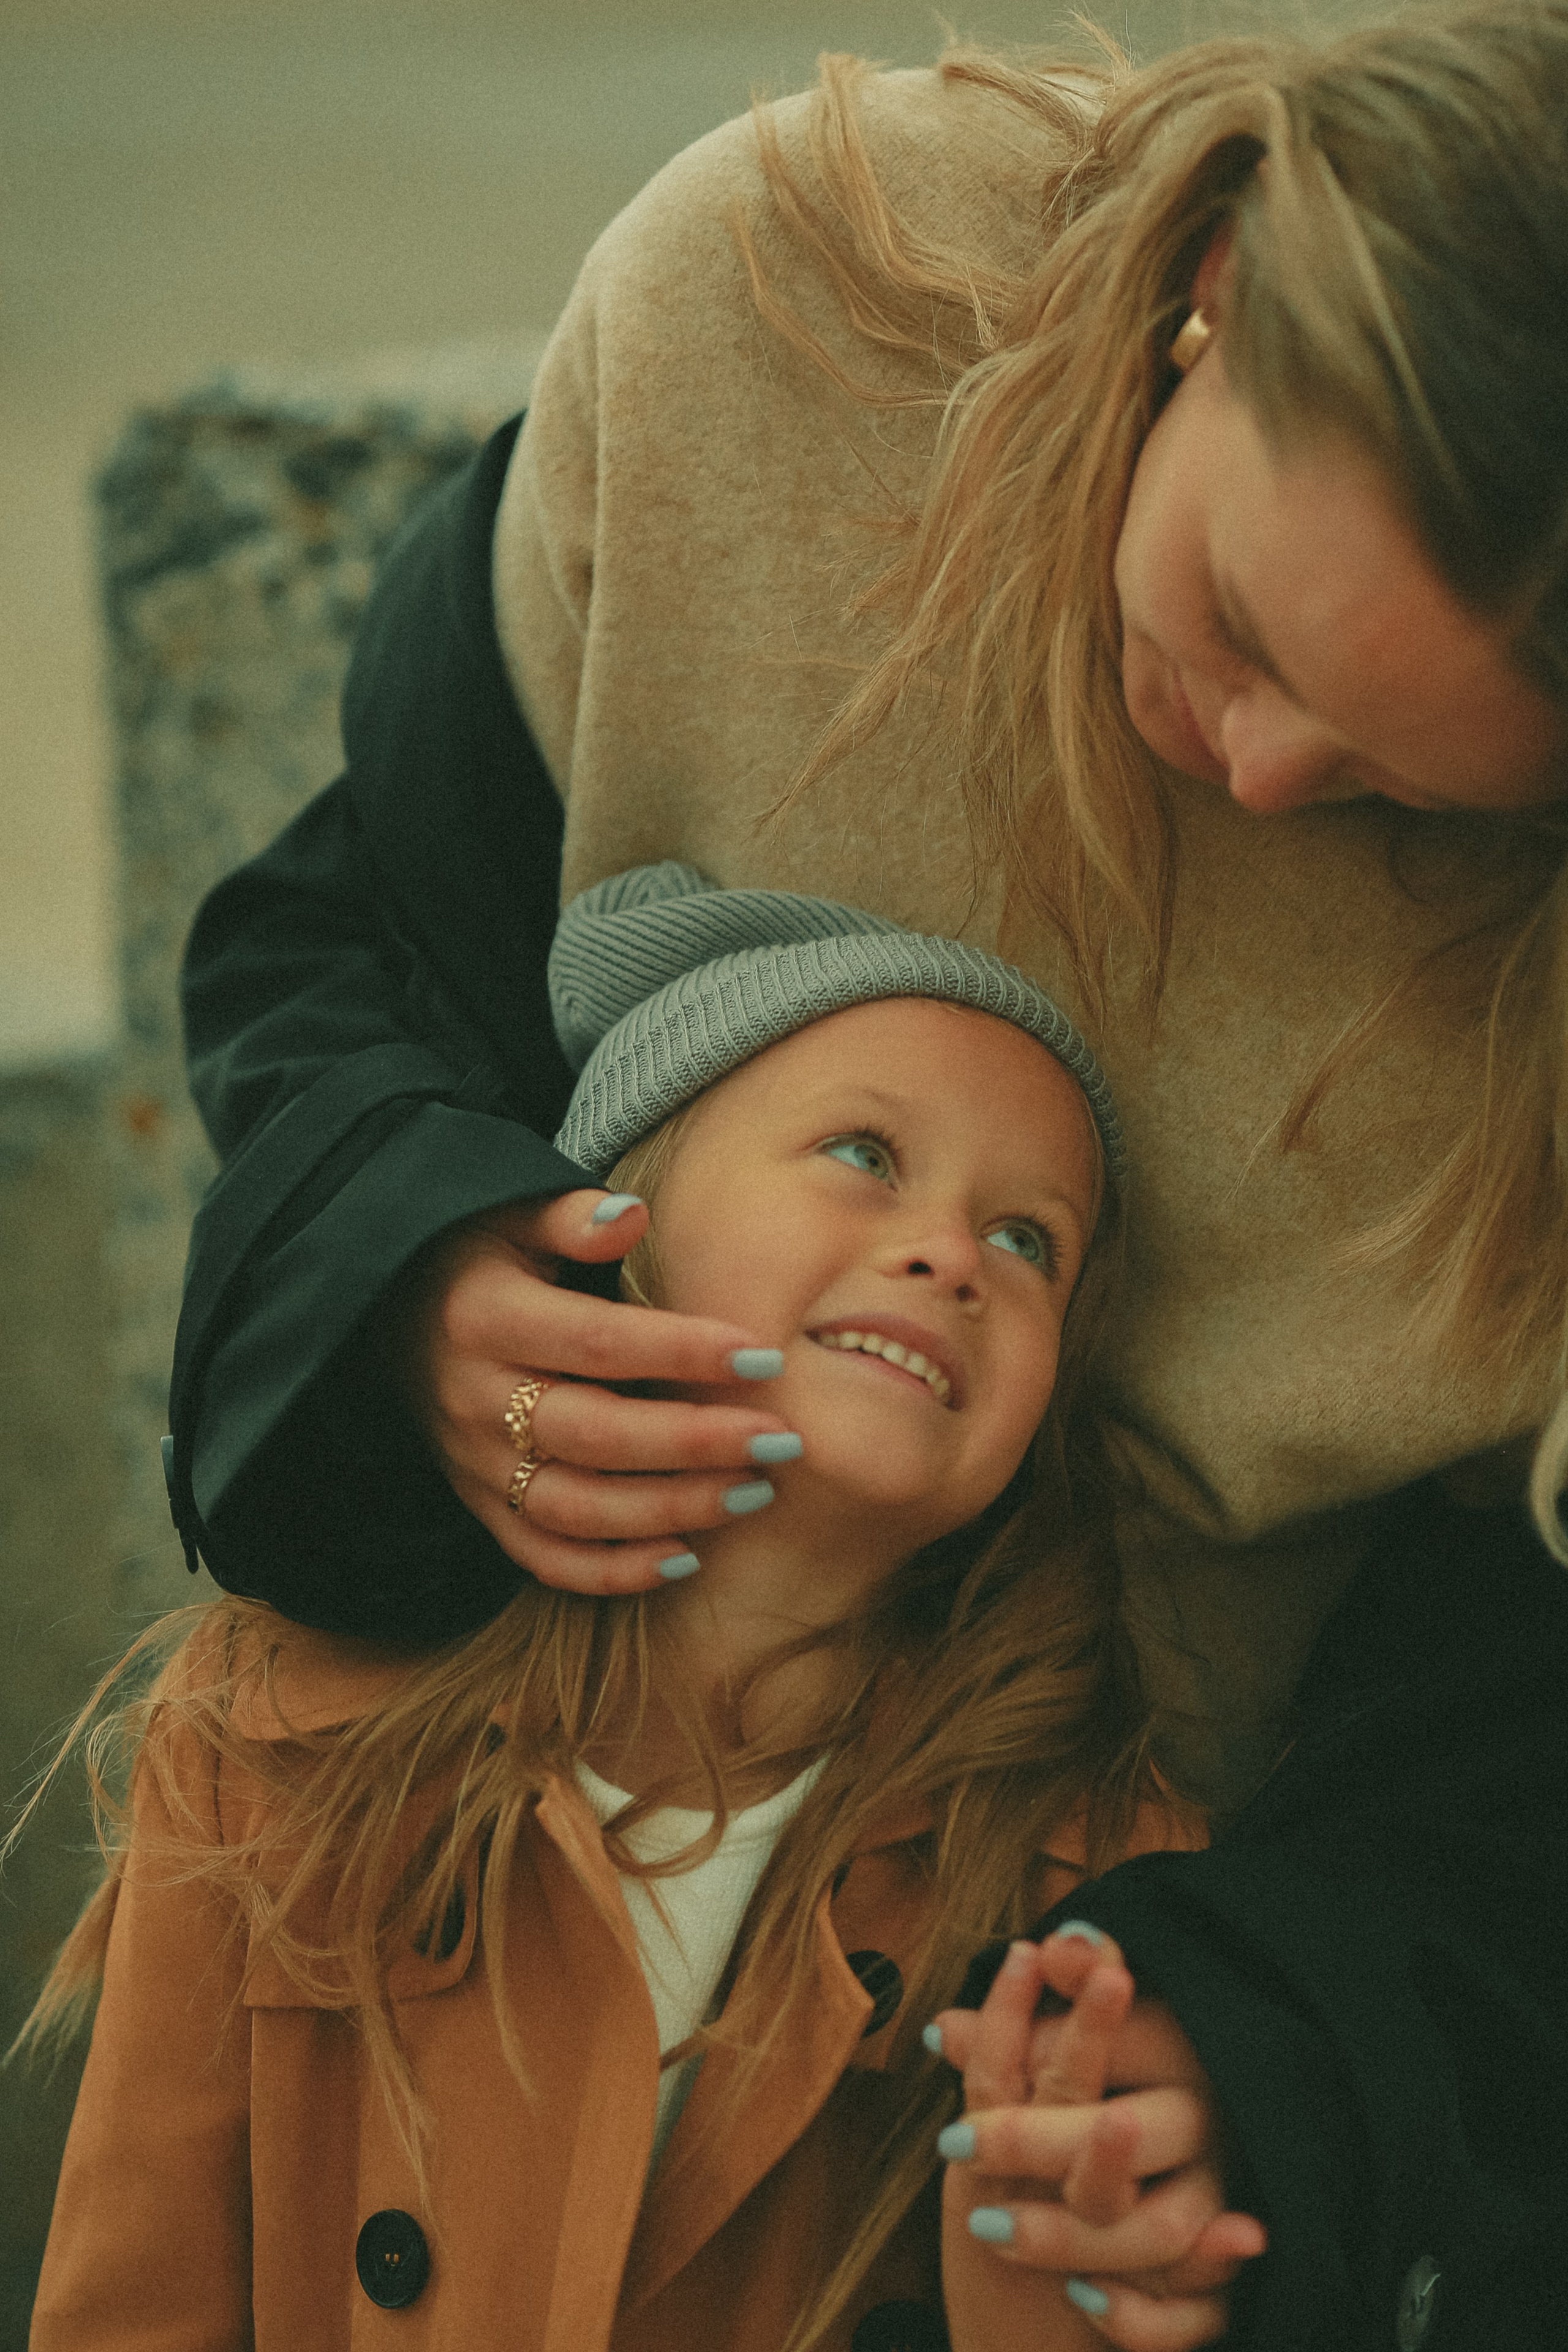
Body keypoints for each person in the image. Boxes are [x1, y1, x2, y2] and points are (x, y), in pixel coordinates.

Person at [155, 4, 1568, 2343]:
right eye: (1240, 630)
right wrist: (406, 1278)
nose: (1262, 773)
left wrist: (1274, 2059)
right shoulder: (764, 317)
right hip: (492, 1836)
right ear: (1211, 275)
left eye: (1427, 798)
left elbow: (1522, 1755)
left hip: (1145, 1980)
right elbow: (347, 940)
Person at [26, 869, 1236, 2352]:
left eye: (1028, 1239)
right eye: (862, 1151)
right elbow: (127, 2310)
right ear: (614, 1220)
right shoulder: (268, 1743)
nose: (949, 1256)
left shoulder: (1096, 1873)